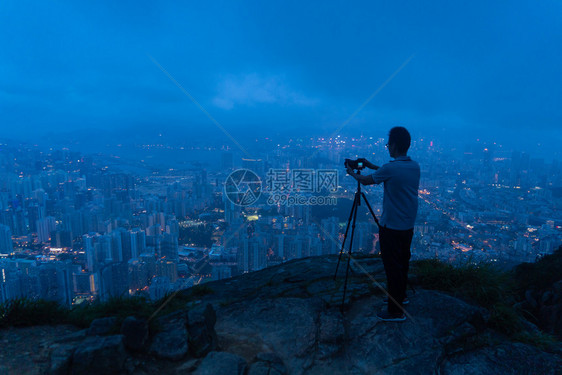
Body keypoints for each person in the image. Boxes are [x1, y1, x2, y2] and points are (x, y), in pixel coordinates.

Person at [345, 126, 420, 322]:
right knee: (402, 263)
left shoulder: (391, 169)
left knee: (391, 268)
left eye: (388, 144)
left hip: (391, 227)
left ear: (394, 146)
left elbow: (367, 181)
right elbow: (393, 173)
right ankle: (401, 297)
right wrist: (371, 165)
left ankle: (395, 312)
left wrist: (352, 173)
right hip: (408, 226)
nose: (387, 148)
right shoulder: (414, 167)